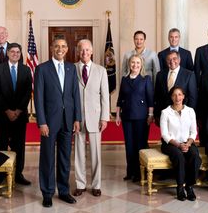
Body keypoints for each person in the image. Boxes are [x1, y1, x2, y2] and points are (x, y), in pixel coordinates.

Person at [34, 38, 81, 207]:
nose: (60, 49)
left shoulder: (71, 68)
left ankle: (63, 190)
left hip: (68, 120)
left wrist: (77, 118)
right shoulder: (42, 69)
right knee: (47, 157)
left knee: (64, 158)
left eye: (63, 46)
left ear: (67, 49)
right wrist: (41, 122)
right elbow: (38, 98)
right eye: (56, 46)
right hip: (49, 121)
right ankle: (47, 192)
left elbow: (75, 94)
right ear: (51, 48)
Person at [73, 39, 109, 197]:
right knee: (79, 153)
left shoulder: (101, 70)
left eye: (87, 50)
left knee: (95, 153)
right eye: (81, 50)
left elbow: (105, 96)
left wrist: (105, 118)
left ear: (92, 52)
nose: (84, 53)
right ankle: (80, 184)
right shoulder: (71, 69)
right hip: (77, 117)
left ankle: (96, 184)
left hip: (95, 117)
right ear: (77, 51)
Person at [0, 43, 32, 185]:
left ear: (20, 54)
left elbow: (28, 92)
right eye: (13, 52)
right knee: (1, 144)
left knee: (19, 146)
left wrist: (18, 110)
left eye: (18, 52)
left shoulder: (26, 70)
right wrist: (8, 110)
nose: (15, 54)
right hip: (3, 114)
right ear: (8, 53)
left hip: (20, 115)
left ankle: (18, 174)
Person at [116, 54, 154, 182]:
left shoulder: (146, 79)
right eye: (133, 62)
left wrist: (150, 115)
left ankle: (140, 173)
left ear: (141, 64)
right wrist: (117, 115)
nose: (135, 65)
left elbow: (150, 99)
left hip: (141, 117)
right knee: (129, 145)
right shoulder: (124, 79)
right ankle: (130, 171)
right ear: (129, 64)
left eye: (138, 63)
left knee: (140, 145)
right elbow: (120, 98)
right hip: (126, 116)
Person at [160, 86, 201, 201]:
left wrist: (188, 144)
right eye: (174, 95)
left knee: (194, 156)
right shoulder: (165, 112)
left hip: (187, 142)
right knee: (179, 156)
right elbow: (165, 134)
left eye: (179, 94)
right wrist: (178, 145)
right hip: (171, 144)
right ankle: (179, 188)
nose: (177, 97)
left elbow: (194, 132)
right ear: (171, 97)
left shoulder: (190, 111)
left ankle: (189, 186)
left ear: (183, 96)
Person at [154, 50, 197, 125]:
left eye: (174, 59)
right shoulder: (160, 75)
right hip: (165, 115)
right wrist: (157, 114)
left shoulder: (189, 75)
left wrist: (189, 114)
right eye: (169, 59)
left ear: (179, 60)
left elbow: (193, 97)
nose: (172, 61)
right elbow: (157, 96)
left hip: (183, 115)